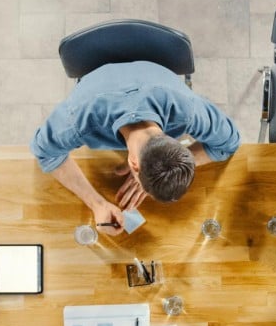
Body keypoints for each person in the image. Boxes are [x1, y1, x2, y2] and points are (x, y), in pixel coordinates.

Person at [30, 60, 242, 235]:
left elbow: (229, 143)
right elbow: (45, 153)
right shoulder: (79, 120)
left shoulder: (187, 108)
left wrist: (160, 167)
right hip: (97, 76)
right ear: (133, 163)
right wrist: (97, 204)